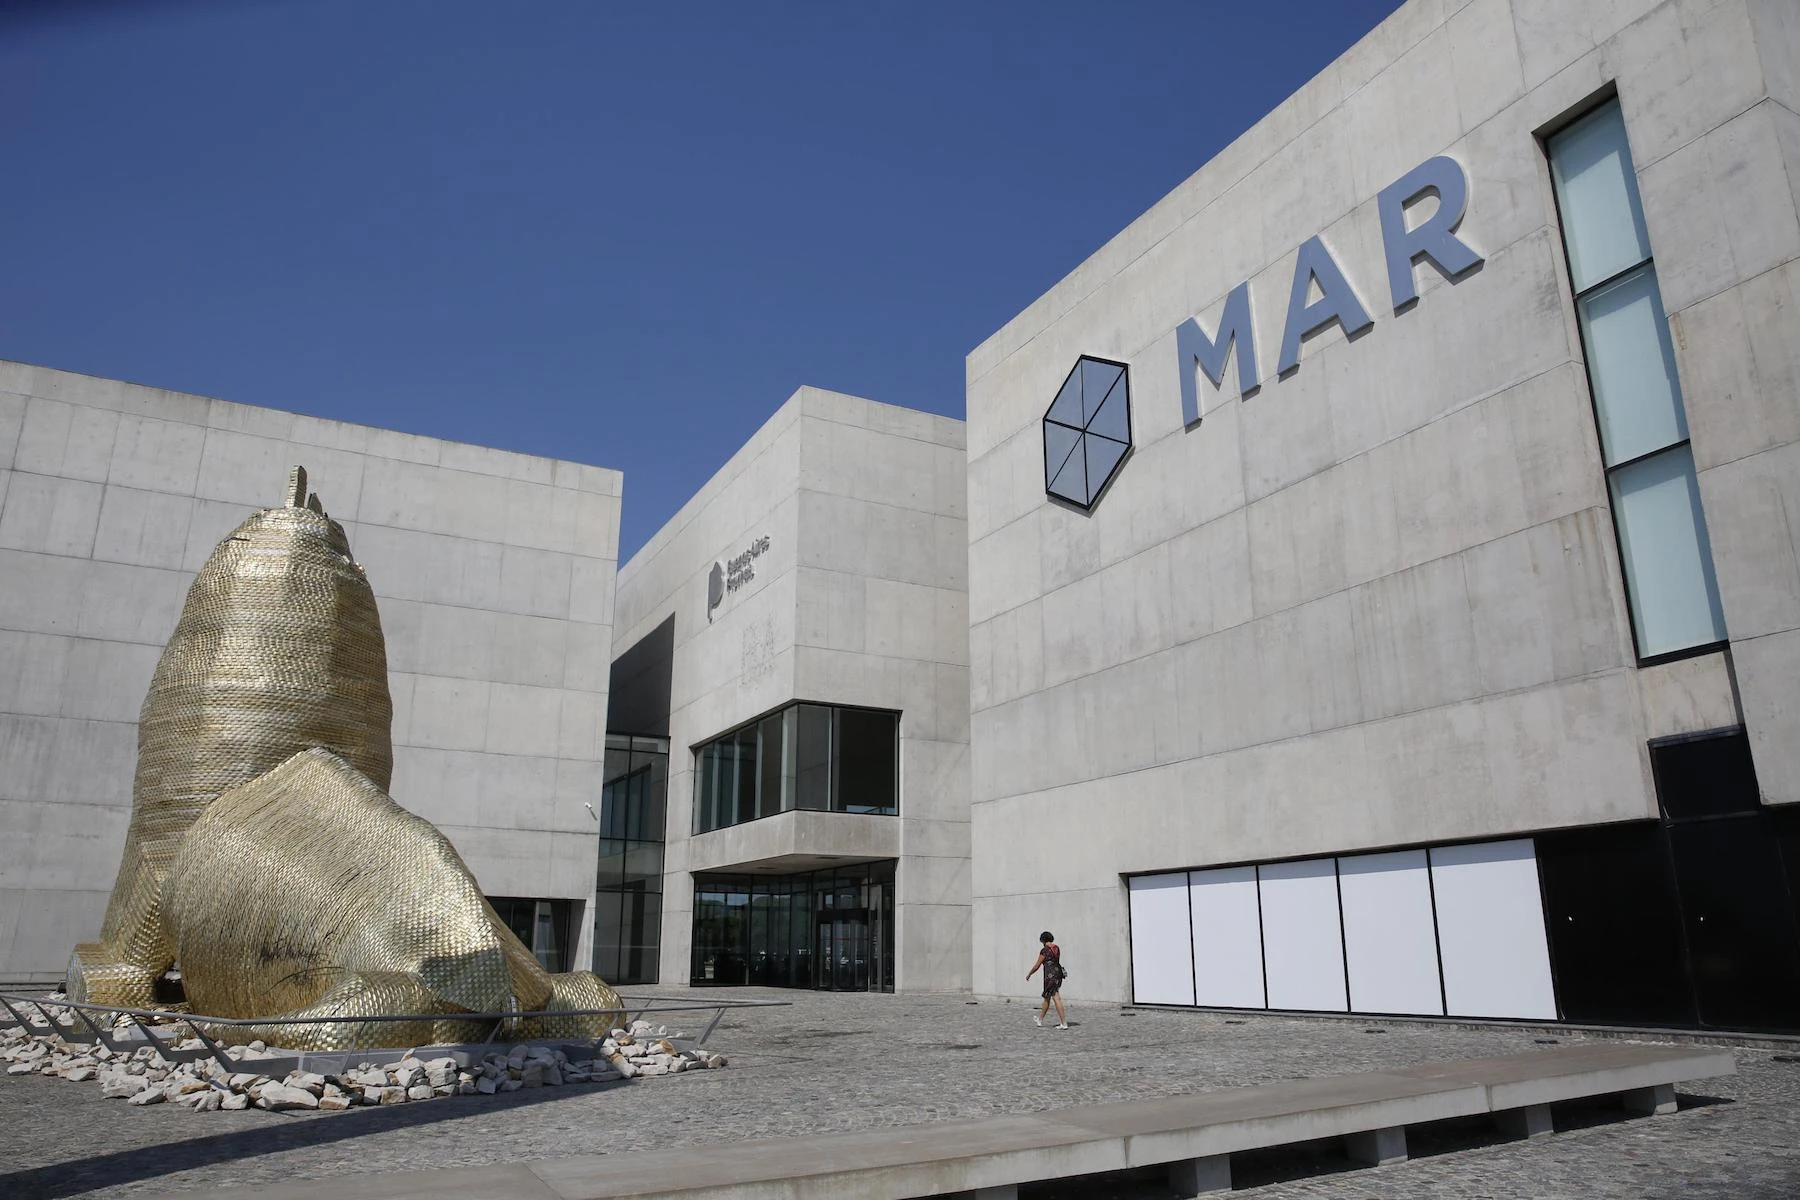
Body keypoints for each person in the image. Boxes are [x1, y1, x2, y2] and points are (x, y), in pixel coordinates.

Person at [1026, 930, 1067, 1029]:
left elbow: (1037, 965)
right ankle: (1039, 1020)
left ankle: (1064, 1023)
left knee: (1056, 998)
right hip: (1058, 974)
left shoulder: (1044, 950)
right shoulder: (1056, 948)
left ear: (1043, 940)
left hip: (1050, 976)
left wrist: (1029, 974)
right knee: (1047, 998)